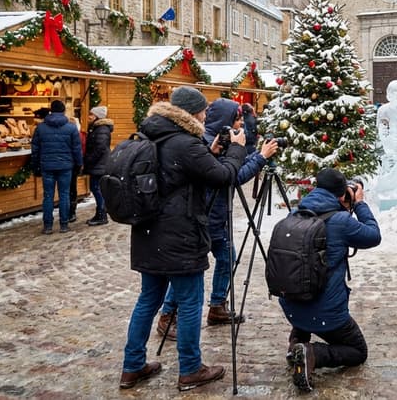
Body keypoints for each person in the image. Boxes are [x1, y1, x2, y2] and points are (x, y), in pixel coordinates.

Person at [120, 86, 246, 392]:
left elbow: (179, 172)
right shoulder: (186, 143)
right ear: (190, 113)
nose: (206, 115)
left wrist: (210, 153)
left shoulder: (152, 134)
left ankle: (132, 366)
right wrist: (237, 150)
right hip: (179, 234)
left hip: (148, 232)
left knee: (148, 300)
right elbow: (223, 177)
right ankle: (190, 369)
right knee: (190, 303)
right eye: (202, 111)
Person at [156, 98, 279, 336]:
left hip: (216, 216)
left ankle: (217, 306)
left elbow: (235, 164)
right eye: (238, 118)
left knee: (227, 256)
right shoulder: (203, 141)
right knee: (190, 270)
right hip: (205, 216)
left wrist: (250, 151)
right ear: (226, 119)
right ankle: (168, 315)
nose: (242, 121)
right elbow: (231, 177)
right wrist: (261, 158)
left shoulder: (220, 137)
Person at [279, 168, 381, 393]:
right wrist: (360, 204)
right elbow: (374, 236)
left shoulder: (295, 213)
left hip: (292, 306)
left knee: (307, 280)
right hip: (326, 314)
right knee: (358, 351)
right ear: (341, 194)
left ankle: (296, 341)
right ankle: (311, 353)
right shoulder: (341, 221)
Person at [30, 100, 83, 234]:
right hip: (65, 165)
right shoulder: (71, 128)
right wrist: (79, 164)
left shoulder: (40, 128)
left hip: (47, 165)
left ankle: (48, 225)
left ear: (50, 111)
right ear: (64, 110)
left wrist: (35, 165)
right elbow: (77, 149)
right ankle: (64, 224)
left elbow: (35, 149)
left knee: (48, 195)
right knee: (64, 194)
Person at [84, 105, 113, 226]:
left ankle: (102, 214)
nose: (89, 117)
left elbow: (100, 148)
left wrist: (89, 159)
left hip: (99, 164)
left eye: (91, 114)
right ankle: (100, 213)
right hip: (99, 164)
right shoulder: (98, 128)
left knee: (97, 189)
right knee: (96, 189)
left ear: (97, 116)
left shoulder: (101, 129)